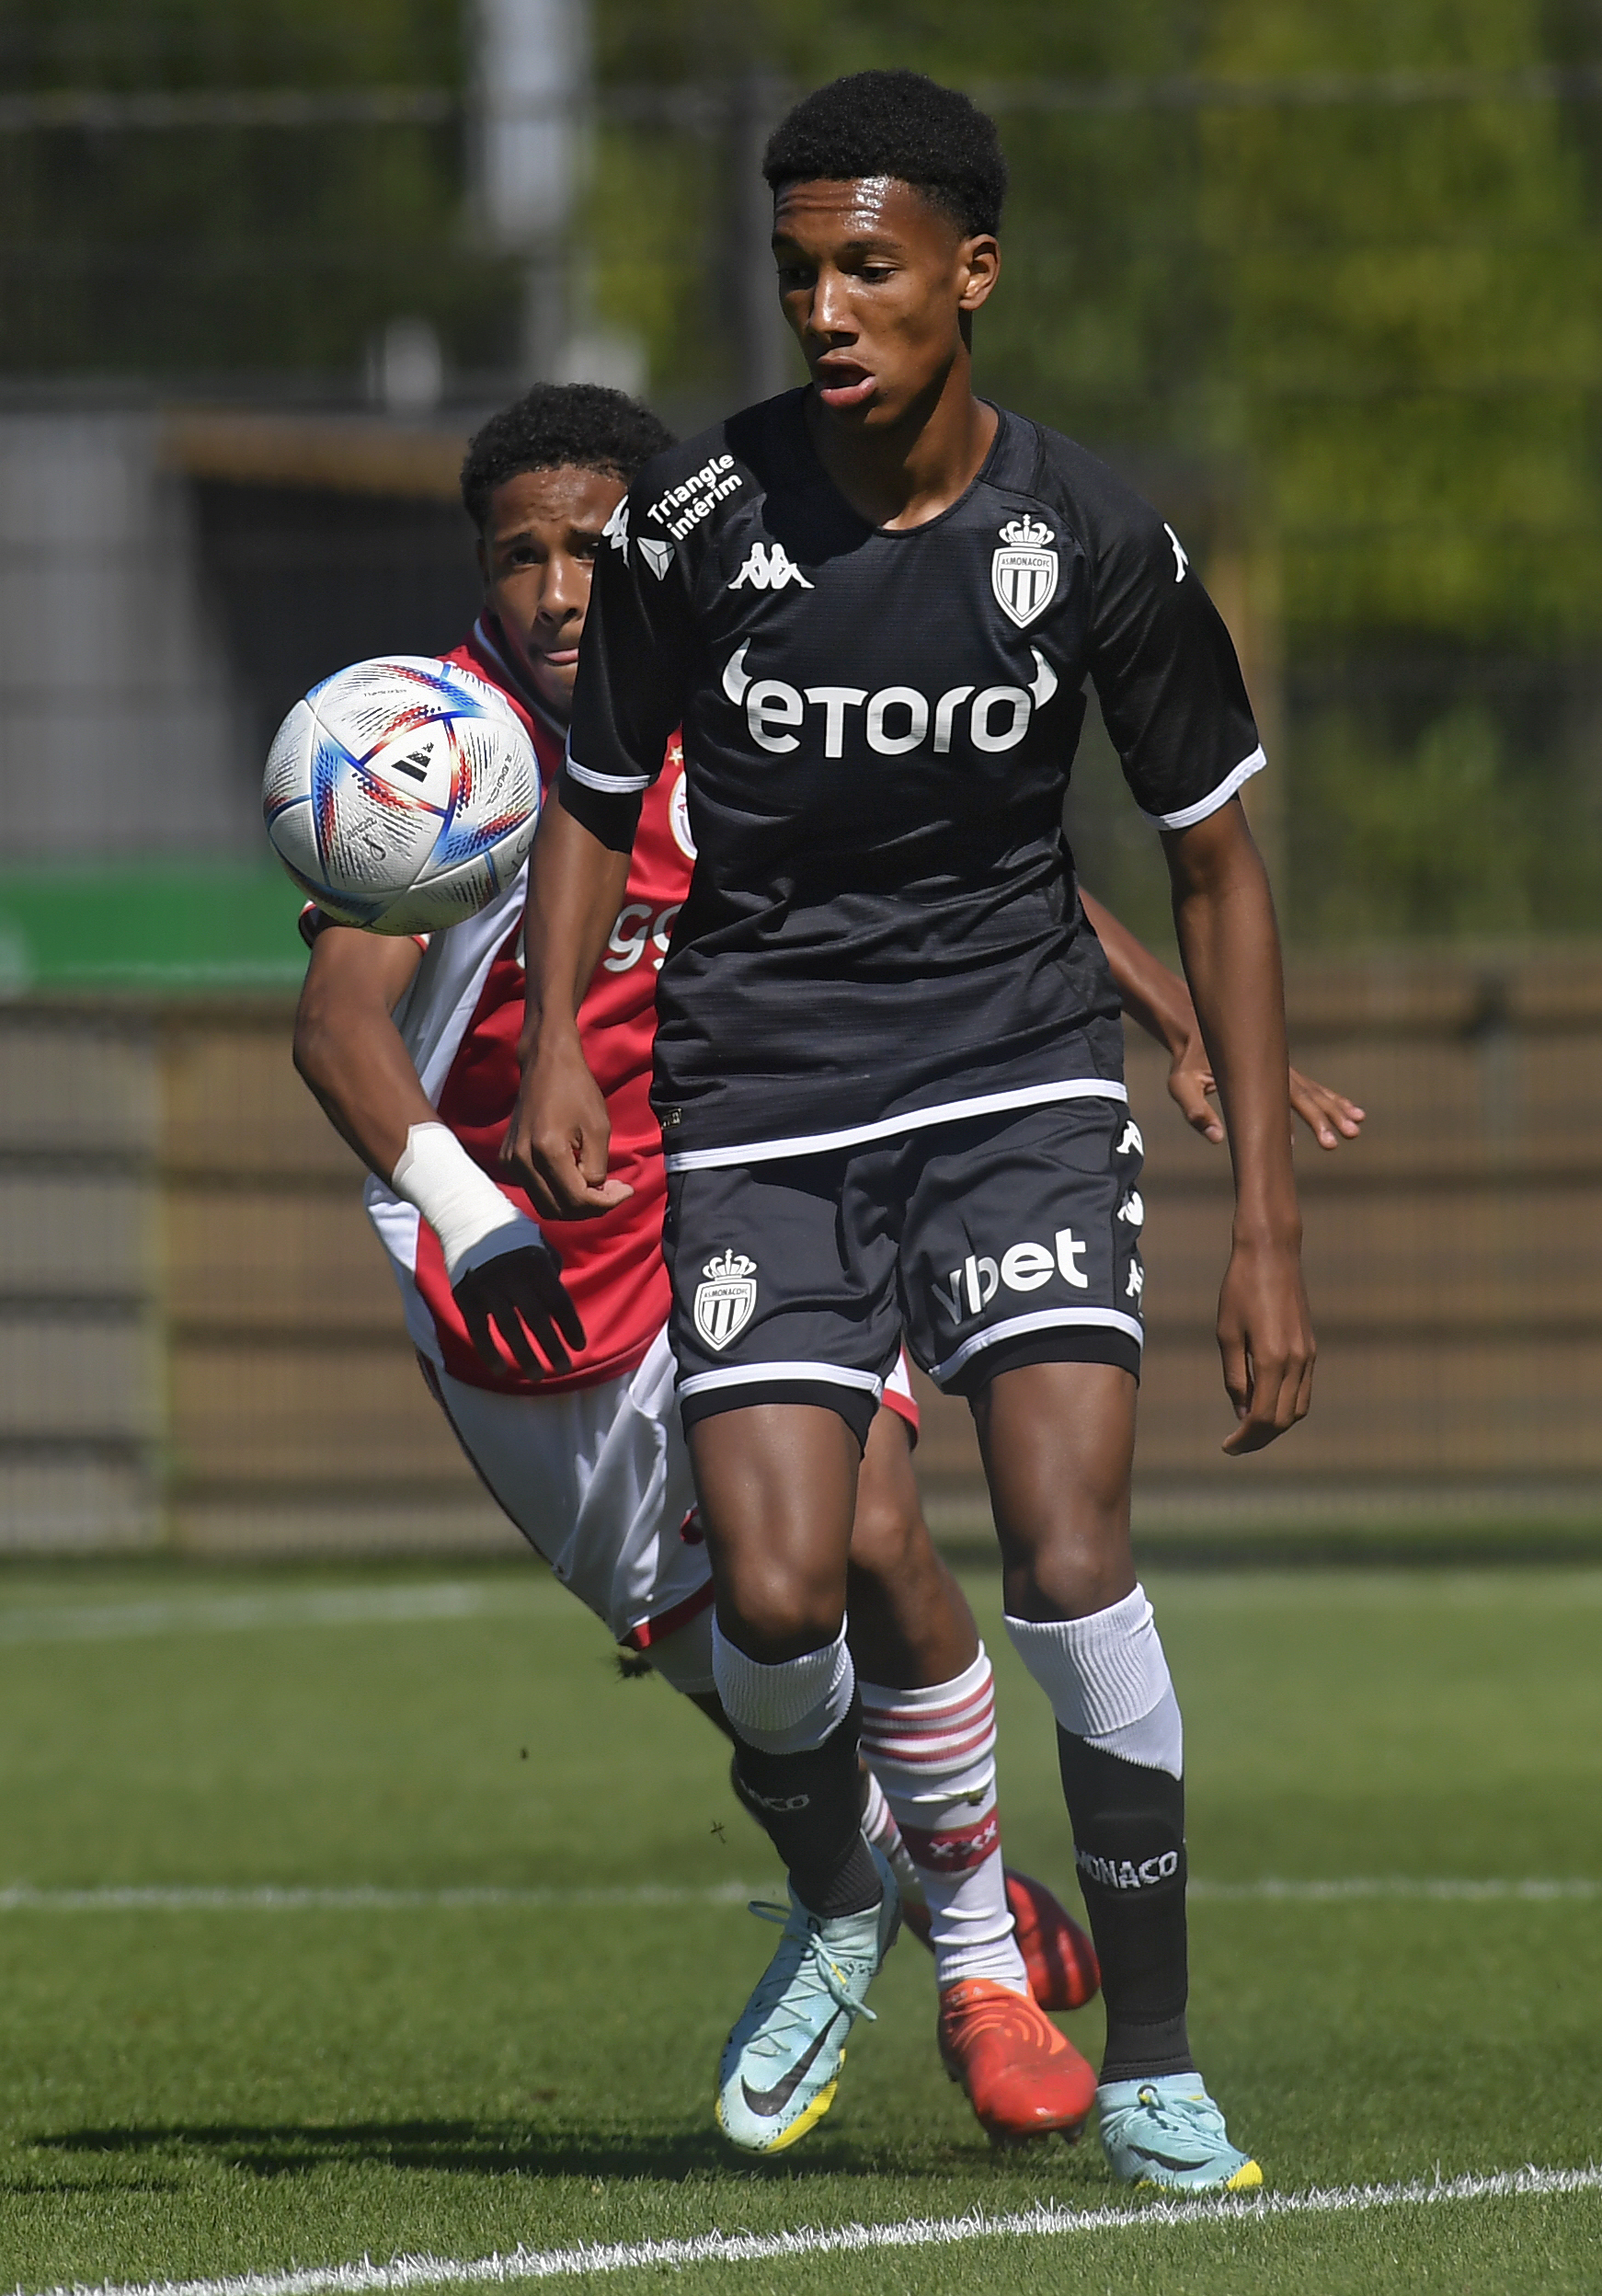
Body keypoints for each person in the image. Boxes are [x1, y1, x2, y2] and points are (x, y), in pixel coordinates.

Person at [507, 71, 1320, 2190]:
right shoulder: (701, 527)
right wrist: (559, 1057)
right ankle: (846, 1901)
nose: (826, 308)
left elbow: (1216, 863)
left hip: (1012, 1079)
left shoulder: (1089, 544)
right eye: (795, 273)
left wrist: (1263, 1237)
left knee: (1063, 1549)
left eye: (866, 265)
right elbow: (598, 798)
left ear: (971, 272)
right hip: (762, 1092)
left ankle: (1147, 2054)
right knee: (777, 1594)